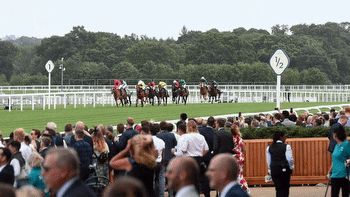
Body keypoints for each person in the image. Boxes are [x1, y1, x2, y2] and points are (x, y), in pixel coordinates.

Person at [266, 131, 294, 197]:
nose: (286, 138)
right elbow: (289, 159)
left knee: (278, 188)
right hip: (285, 169)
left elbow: (268, 160)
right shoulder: (287, 146)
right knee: (285, 187)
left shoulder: (269, 147)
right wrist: (291, 167)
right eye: (284, 136)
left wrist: (270, 170)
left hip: (274, 169)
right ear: (281, 137)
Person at [327, 124, 350, 197]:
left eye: (333, 133)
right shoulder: (336, 145)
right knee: (334, 194)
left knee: (345, 194)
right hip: (335, 174)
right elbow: (334, 160)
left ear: (336, 134)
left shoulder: (346, 144)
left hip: (344, 174)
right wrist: (329, 172)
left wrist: (348, 160)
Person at [230, 124, 249, 193]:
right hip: (240, 157)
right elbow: (243, 149)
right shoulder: (240, 139)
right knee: (240, 174)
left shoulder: (231, 139)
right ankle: (244, 188)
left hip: (233, 157)